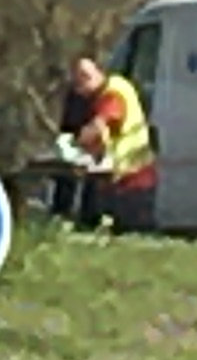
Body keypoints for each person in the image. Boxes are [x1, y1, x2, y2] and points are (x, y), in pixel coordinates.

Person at [63, 51, 158, 231]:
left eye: (86, 76)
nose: (81, 83)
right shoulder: (109, 91)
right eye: (78, 79)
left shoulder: (112, 94)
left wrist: (74, 146)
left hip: (132, 177)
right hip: (121, 175)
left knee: (129, 231)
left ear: (100, 71)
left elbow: (98, 126)